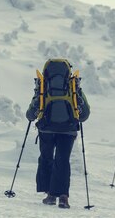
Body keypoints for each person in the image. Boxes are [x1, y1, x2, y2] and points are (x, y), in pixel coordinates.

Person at [26, 59, 90, 209]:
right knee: (62, 160)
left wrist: (31, 116)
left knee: (46, 158)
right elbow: (85, 114)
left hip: (46, 128)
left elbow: (31, 111)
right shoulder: (73, 86)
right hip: (68, 130)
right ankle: (63, 197)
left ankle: (49, 194)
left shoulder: (44, 85)